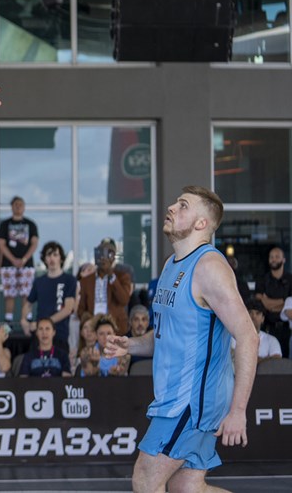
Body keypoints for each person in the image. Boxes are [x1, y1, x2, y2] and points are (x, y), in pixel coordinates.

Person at [104, 186, 257, 493]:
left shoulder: (210, 267)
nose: (172, 208)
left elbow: (248, 336)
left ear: (201, 224)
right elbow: (166, 334)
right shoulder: (170, 265)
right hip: (176, 396)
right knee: (188, 488)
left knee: (146, 480)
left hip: (192, 401)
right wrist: (131, 344)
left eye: (183, 205)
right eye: (175, 203)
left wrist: (238, 411)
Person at [20, 241, 76, 351]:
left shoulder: (69, 280)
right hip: (39, 335)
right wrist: (23, 320)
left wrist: (45, 323)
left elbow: (68, 309)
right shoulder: (39, 281)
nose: (52, 258)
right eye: (49, 255)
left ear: (61, 258)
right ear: (44, 259)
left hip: (59, 334)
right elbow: (28, 303)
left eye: (55, 255)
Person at [77, 238, 133, 336]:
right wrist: (88, 320)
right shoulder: (86, 280)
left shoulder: (122, 276)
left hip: (115, 326)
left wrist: (111, 275)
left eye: (107, 254)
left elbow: (124, 300)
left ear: (113, 258)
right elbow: (80, 309)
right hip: (93, 328)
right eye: (100, 254)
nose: (103, 258)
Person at [0, 196, 39, 325]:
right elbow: (1, 244)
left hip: (26, 265)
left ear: (24, 207)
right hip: (9, 265)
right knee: (10, 293)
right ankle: (8, 321)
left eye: (21, 204)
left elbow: (34, 243)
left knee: (26, 293)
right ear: (12, 206)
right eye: (16, 204)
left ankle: (27, 319)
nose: (18, 207)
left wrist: (24, 259)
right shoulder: (5, 224)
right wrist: (13, 259)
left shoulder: (30, 224)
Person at [254, 246, 291, 358]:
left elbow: (289, 308)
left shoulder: (290, 280)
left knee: (286, 364)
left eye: (277, 257)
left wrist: (268, 301)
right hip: (267, 328)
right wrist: (283, 302)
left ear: (284, 259)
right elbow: (262, 304)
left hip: (286, 330)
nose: (273, 259)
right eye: (271, 257)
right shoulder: (263, 279)